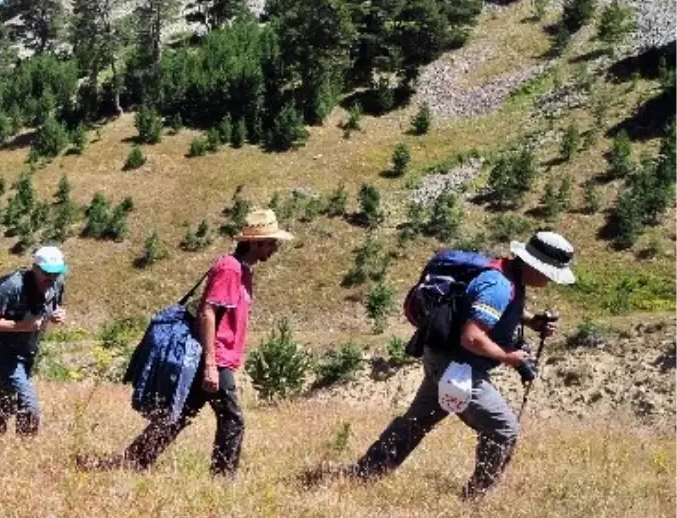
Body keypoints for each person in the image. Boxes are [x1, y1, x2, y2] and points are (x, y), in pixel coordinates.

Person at [321, 232, 575, 497]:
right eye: (549, 273)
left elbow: (490, 306)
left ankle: (364, 474)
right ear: (534, 264)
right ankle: (475, 501)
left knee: (415, 423)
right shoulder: (499, 285)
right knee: (503, 429)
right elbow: (472, 337)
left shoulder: (507, 276)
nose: (549, 280)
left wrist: (531, 321)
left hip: (444, 360)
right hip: (459, 369)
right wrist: (508, 357)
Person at [80, 209, 291, 477]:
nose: (275, 248)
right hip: (213, 357)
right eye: (271, 242)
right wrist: (211, 365)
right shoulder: (231, 268)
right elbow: (207, 312)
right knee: (232, 419)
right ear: (254, 242)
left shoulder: (244, 271)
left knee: (178, 416)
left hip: (217, 356)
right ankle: (222, 482)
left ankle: (133, 462)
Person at [0, 246, 67, 442]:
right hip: (2, 350)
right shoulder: (14, 286)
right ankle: (24, 450)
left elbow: (54, 306)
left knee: (9, 396)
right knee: (28, 403)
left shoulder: (57, 283)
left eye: (56, 272)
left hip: (28, 351)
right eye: (46, 273)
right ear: (34, 267)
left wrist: (58, 314)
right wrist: (22, 326)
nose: (51, 277)